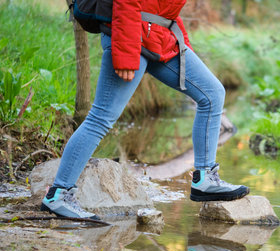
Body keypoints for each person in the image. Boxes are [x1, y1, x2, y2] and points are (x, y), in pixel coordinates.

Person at [40, 0, 250, 220]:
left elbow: (164, 9)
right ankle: (58, 195)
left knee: (212, 93)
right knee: (101, 118)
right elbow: (127, 2)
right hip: (131, 37)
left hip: (159, 38)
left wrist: (183, 45)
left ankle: (205, 179)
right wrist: (126, 54)